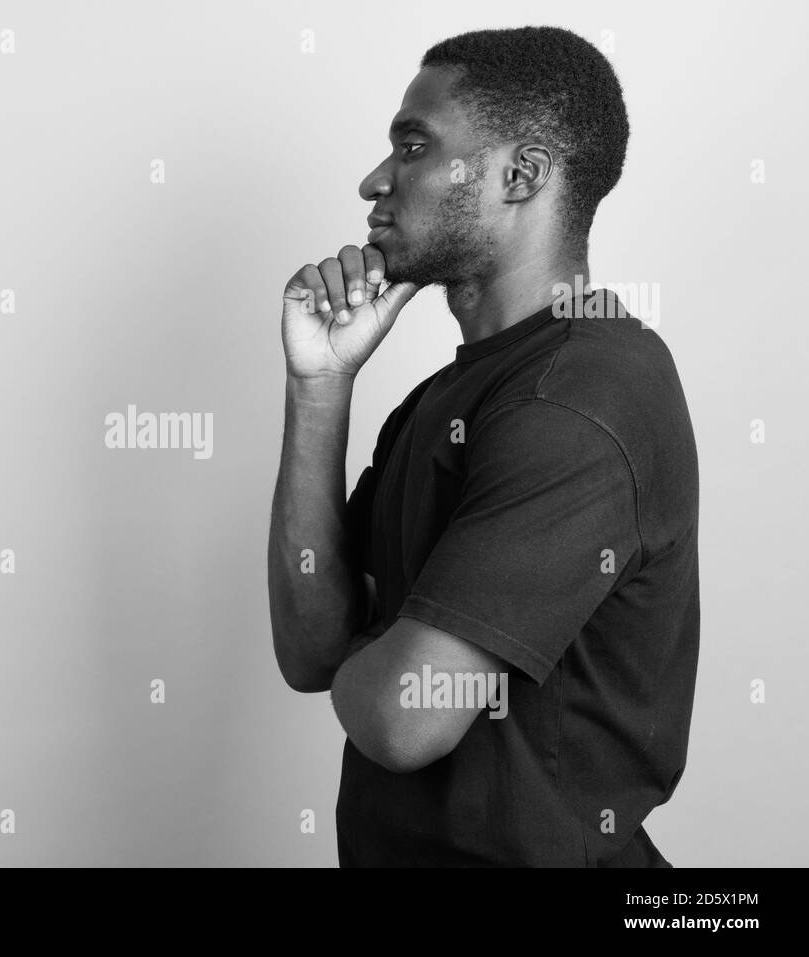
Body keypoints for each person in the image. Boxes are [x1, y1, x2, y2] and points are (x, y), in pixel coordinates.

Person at [267, 25, 699, 866]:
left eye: (414, 146)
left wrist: (377, 648)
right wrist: (319, 388)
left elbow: (404, 717)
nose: (374, 181)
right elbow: (309, 648)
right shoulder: (451, 395)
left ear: (521, 174)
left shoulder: (580, 395)